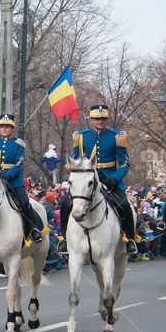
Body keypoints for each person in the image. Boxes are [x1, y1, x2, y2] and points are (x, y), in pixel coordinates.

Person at [63, 105, 138, 255]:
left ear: (107, 119)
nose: (100, 121)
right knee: (65, 203)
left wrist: (114, 178)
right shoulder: (81, 136)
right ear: (90, 120)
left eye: (103, 118)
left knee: (124, 204)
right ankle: (64, 239)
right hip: (88, 179)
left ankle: (129, 239)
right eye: (97, 119)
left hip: (110, 179)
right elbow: (75, 158)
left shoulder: (117, 137)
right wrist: (74, 169)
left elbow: (124, 163)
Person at [0, 113, 44, 243]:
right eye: (2, 126)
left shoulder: (18, 143)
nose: (4, 129)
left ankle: (33, 230)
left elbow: (19, 162)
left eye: (7, 126)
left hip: (14, 180)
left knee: (25, 202)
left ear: (12, 128)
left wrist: (9, 174)